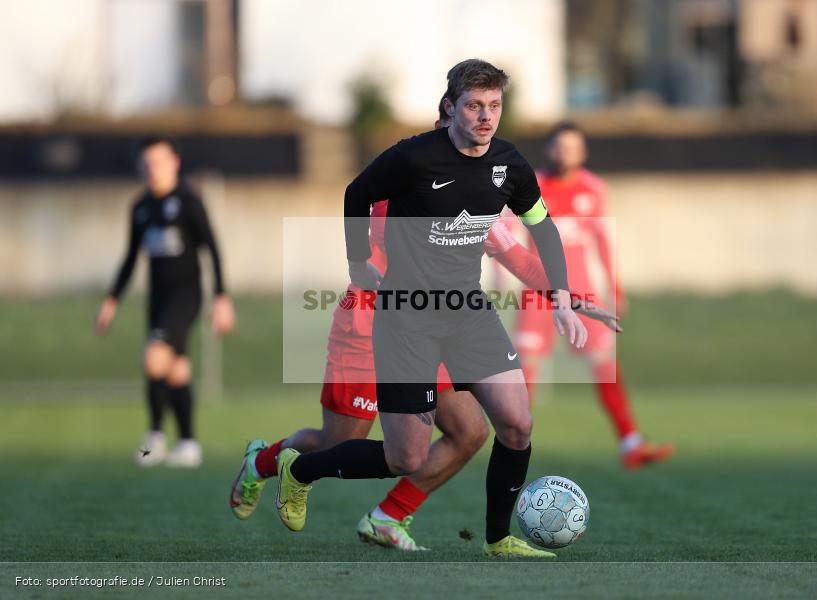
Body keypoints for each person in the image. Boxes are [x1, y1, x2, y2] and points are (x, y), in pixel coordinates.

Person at [229, 106, 619, 551]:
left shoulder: (479, 187)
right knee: (339, 439)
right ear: (440, 129)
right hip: (370, 323)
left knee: (470, 431)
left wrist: (573, 297)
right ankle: (264, 462)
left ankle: (388, 516)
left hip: (436, 326)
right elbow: (379, 219)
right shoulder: (403, 177)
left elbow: (518, 257)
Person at [515, 123, 673, 469]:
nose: (565, 153)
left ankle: (631, 443)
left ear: (583, 152)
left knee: (606, 367)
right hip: (537, 294)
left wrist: (615, 290)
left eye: (573, 147)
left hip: (582, 292)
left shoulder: (595, 189)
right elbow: (510, 236)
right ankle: (511, 446)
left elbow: (603, 241)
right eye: (560, 146)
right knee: (524, 373)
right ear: (550, 150)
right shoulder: (531, 185)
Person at [95, 136, 234, 468]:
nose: (152, 169)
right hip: (157, 300)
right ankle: (188, 445)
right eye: (147, 163)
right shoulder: (141, 207)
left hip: (185, 296)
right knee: (176, 372)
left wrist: (221, 297)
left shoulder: (188, 201)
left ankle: (154, 438)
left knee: (154, 358)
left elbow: (212, 247)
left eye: (159, 161)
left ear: (175, 163)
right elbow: (130, 258)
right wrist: (112, 300)